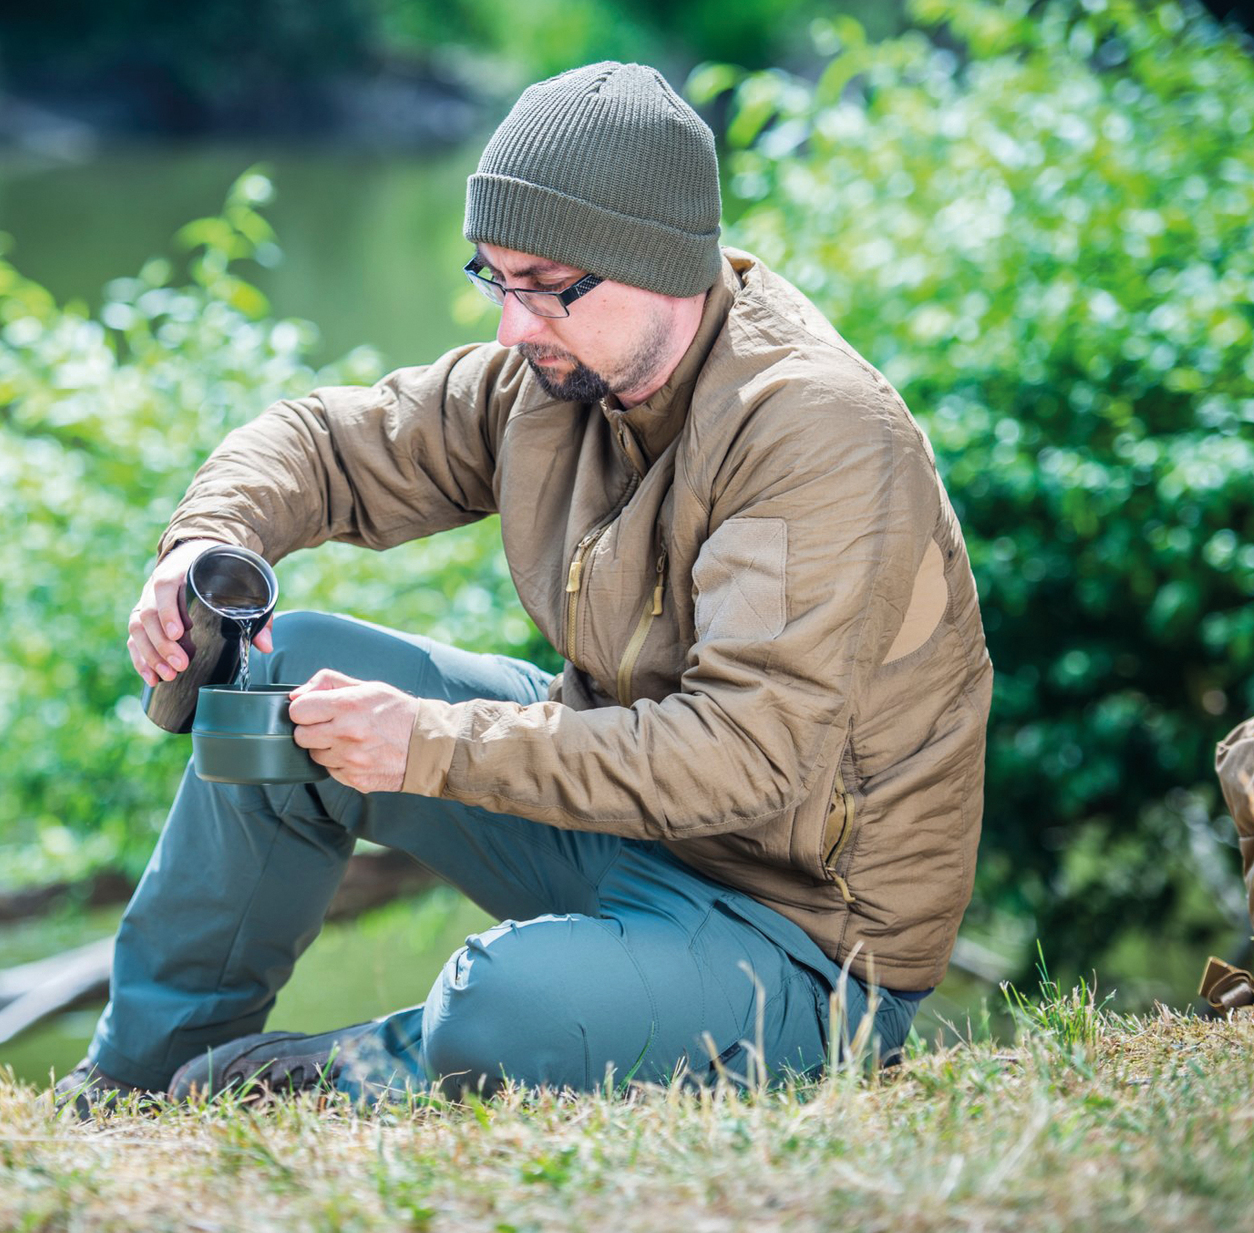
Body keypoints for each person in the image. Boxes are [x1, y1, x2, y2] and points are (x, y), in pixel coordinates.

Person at [56, 60, 992, 1112]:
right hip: (626, 831)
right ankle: (134, 1080)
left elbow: (746, 755)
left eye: (545, 285)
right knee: (289, 679)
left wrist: (430, 743)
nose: (513, 324)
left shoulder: (813, 432)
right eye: (494, 279)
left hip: (799, 937)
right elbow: (325, 443)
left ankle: (327, 1074)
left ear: (657, 261)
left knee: (499, 1008)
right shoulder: (558, 374)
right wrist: (202, 545)